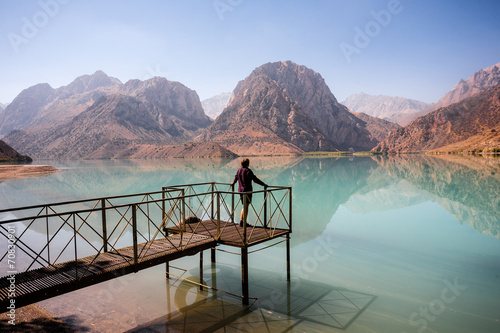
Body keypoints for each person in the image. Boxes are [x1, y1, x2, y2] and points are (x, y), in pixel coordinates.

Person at [230, 158, 268, 227]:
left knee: (244, 206)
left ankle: (242, 221)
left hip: (240, 190)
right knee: (246, 206)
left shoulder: (239, 170)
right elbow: (255, 179)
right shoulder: (248, 171)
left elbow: (236, 177)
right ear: (247, 164)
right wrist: (263, 184)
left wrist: (233, 183)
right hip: (247, 191)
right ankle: (244, 222)